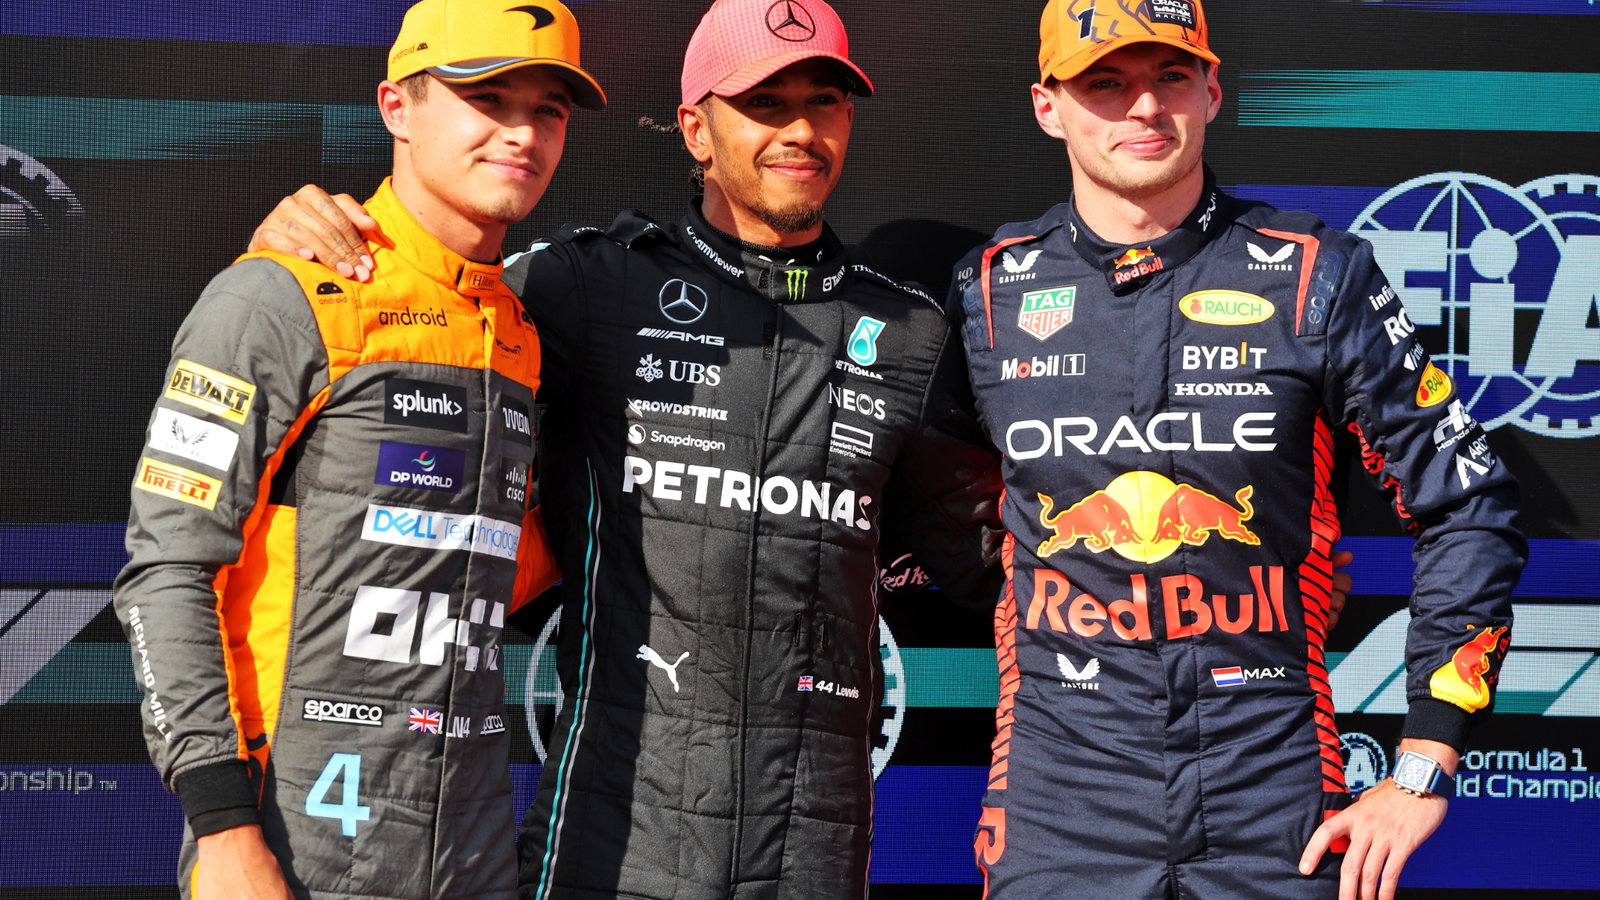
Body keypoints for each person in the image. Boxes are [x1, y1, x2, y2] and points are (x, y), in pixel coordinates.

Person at [248, 0, 1004, 897]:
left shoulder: (910, 333)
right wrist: (300, 241)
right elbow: (420, 320)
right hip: (610, 842)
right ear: (695, 127)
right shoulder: (586, 283)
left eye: (825, 101)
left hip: (814, 849)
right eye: (764, 104)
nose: (800, 130)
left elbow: (997, 558)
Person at [950, 1, 1526, 899]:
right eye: (1106, 82)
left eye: (1169, 77)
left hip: (1275, 797)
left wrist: (1422, 762)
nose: (1144, 107)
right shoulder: (986, 293)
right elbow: (929, 506)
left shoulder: (1315, 275)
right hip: (1063, 803)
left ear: (1212, 92)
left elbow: (1468, 505)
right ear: (1046, 105)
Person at [112, 1, 604, 896]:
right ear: (397, 108)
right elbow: (167, 569)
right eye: (487, 97)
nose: (521, 133)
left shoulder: (522, 332)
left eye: (548, 110)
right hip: (297, 833)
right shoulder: (281, 296)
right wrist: (222, 828)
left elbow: (487, 563)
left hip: (472, 839)